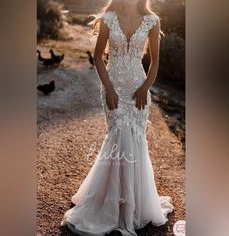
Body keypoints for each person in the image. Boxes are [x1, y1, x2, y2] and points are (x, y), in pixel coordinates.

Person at [61, 0, 174, 235]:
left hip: (138, 87)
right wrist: (109, 89)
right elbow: (98, 58)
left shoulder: (153, 21)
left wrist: (145, 88)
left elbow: (154, 62)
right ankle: (110, 204)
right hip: (113, 87)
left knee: (135, 140)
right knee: (117, 137)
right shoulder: (109, 18)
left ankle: (133, 204)